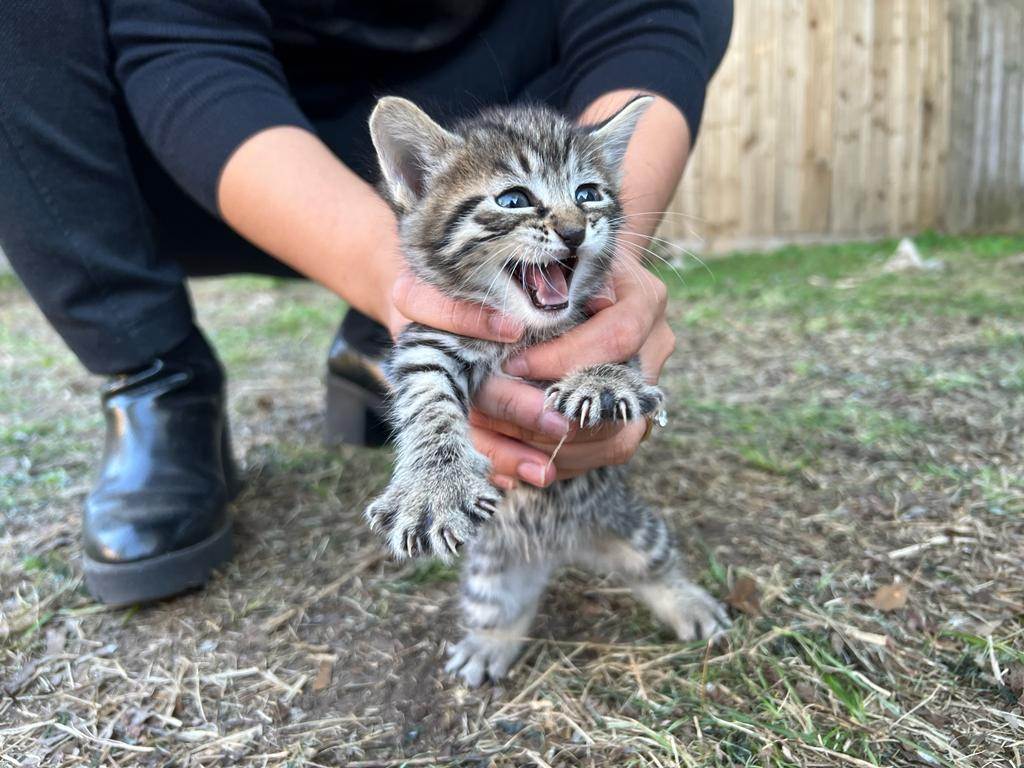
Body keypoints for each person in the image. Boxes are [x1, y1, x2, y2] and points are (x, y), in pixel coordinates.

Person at [0, 1, 733, 605]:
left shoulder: (566, 219)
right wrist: (403, 286)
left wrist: (613, 270)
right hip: (192, 152)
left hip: (489, 92)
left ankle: (367, 346)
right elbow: (177, 42)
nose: (569, 224)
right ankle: (154, 369)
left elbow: (648, 20)